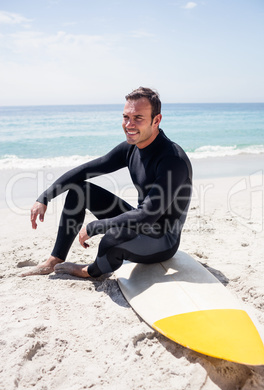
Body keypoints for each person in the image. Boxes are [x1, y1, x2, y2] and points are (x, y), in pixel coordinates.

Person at [22, 87, 192, 278]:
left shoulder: (172, 160)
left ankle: (90, 271)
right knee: (80, 190)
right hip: (140, 223)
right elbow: (85, 171)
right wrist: (44, 197)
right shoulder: (131, 148)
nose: (129, 124)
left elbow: (147, 216)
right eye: (126, 117)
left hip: (163, 239)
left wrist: (96, 226)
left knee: (112, 240)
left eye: (138, 118)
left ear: (156, 120)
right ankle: (55, 259)